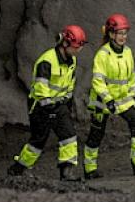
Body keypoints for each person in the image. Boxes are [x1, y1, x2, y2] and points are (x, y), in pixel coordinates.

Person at [7, 24, 86, 181]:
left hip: (58, 105)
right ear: (65, 44)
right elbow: (40, 87)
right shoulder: (47, 61)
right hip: (41, 106)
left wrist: (65, 102)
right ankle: (18, 169)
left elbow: (70, 83)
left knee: (68, 136)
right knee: (37, 142)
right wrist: (48, 104)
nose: (79, 50)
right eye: (76, 46)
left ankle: (66, 172)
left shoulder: (72, 61)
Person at [83, 13, 135, 179]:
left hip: (123, 101)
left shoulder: (128, 52)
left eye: (125, 33)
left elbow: (131, 77)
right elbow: (98, 81)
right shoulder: (103, 55)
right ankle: (89, 168)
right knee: (96, 134)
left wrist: (131, 95)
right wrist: (108, 100)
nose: (123, 37)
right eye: (120, 33)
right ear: (111, 34)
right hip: (102, 101)